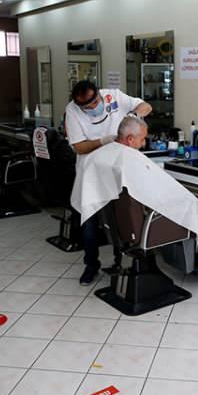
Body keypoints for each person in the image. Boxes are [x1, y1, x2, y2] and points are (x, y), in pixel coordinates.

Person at [73, 115, 198, 267]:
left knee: (190, 204)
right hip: (143, 226)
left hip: (118, 224)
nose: (144, 144)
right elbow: (156, 190)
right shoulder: (129, 159)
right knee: (197, 207)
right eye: (142, 139)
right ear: (130, 139)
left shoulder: (98, 156)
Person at [65, 80, 153, 285]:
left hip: (117, 169)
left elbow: (146, 106)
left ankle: (119, 259)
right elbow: (79, 147)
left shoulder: (114, 96)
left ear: (99, 94)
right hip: (91, 174)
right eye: (86, 107)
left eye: (95, 102)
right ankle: (91, 265)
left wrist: (135, 115)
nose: (93, 108)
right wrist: (104, 140)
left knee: (119, 217)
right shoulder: (72, 111)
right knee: (90, 220)